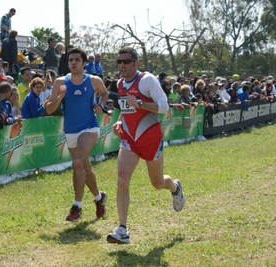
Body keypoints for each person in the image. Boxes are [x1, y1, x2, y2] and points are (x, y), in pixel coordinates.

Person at [106, 47, 185, 245]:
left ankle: (175, 188)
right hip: (129, 139)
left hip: (150, 138)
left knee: (157, 183)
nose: (122, 65)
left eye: (126, 61)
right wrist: (119, 122)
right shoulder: (120, 84)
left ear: (135, 63)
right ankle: (122, 229)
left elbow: (164, 107)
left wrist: (140, 103)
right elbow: (126, 109)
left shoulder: (147, 80)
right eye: (119, 62)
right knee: (122, 180)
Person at [45, 47, 109, 222]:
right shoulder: (60, 82)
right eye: (70, 60)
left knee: (78, 162)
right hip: (70, 130)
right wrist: (60, 97)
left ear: (84, 63)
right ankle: (99, 198)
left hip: (90, 127)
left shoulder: (94, 81)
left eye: (76, 60)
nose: (73, 63)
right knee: (84, 168)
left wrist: (100, 106)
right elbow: (49, 109)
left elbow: (104, 94)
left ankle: (77, 206)